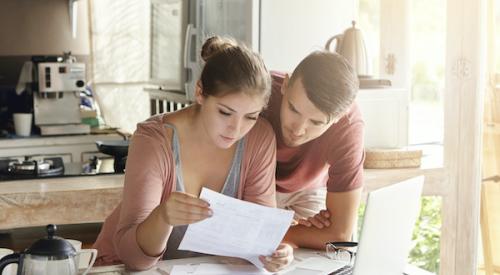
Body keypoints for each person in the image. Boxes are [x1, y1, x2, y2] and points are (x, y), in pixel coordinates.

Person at [92, 36, 293, 272]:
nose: (236, 129)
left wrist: (273, 253)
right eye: (225, 112)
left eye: (250, 116)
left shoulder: (259, 137)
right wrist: (163, 217)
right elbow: (134, 259)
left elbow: (256, 236)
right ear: (200, 92)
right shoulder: (153, 140)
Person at [261, 51, 365, 249]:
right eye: (293, 109)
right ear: (285, 84)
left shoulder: (349, 126)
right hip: (251, 184)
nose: (298, 130)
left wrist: (270, 231)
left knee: (320, 260)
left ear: (338, 117)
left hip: (307, 190)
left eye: (316, 122)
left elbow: (340, 236)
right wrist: (294, 231)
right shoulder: (259, 91)